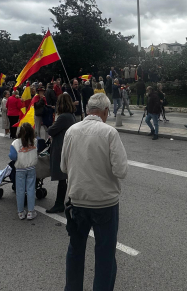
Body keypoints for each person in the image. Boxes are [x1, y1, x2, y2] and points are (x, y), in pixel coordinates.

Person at [61, 93, 128, 291]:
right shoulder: (109, 133)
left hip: (78, 201)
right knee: (105, 254)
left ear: (88, 109)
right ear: (105, 111)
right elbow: (121, 171)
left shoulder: (71, 131)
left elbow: (63, 167)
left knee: (75, 249)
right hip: (104, 203)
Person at [46, 93, 76, 214]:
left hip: (61, 148)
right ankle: (71, 199)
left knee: (62, 177)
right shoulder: (71, 115)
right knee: (68, 176)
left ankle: (59, 204)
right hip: (68, 147)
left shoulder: (63, 117)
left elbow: (51, 130)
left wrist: (52, 125)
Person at [9, 122, 38, 220]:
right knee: (30, 189)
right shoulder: (34, 141)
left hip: (20, 169)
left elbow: (12, 156)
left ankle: (20, 212)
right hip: (31, 168)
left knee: (20, 190)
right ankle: (31, 211)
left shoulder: (15, 143)